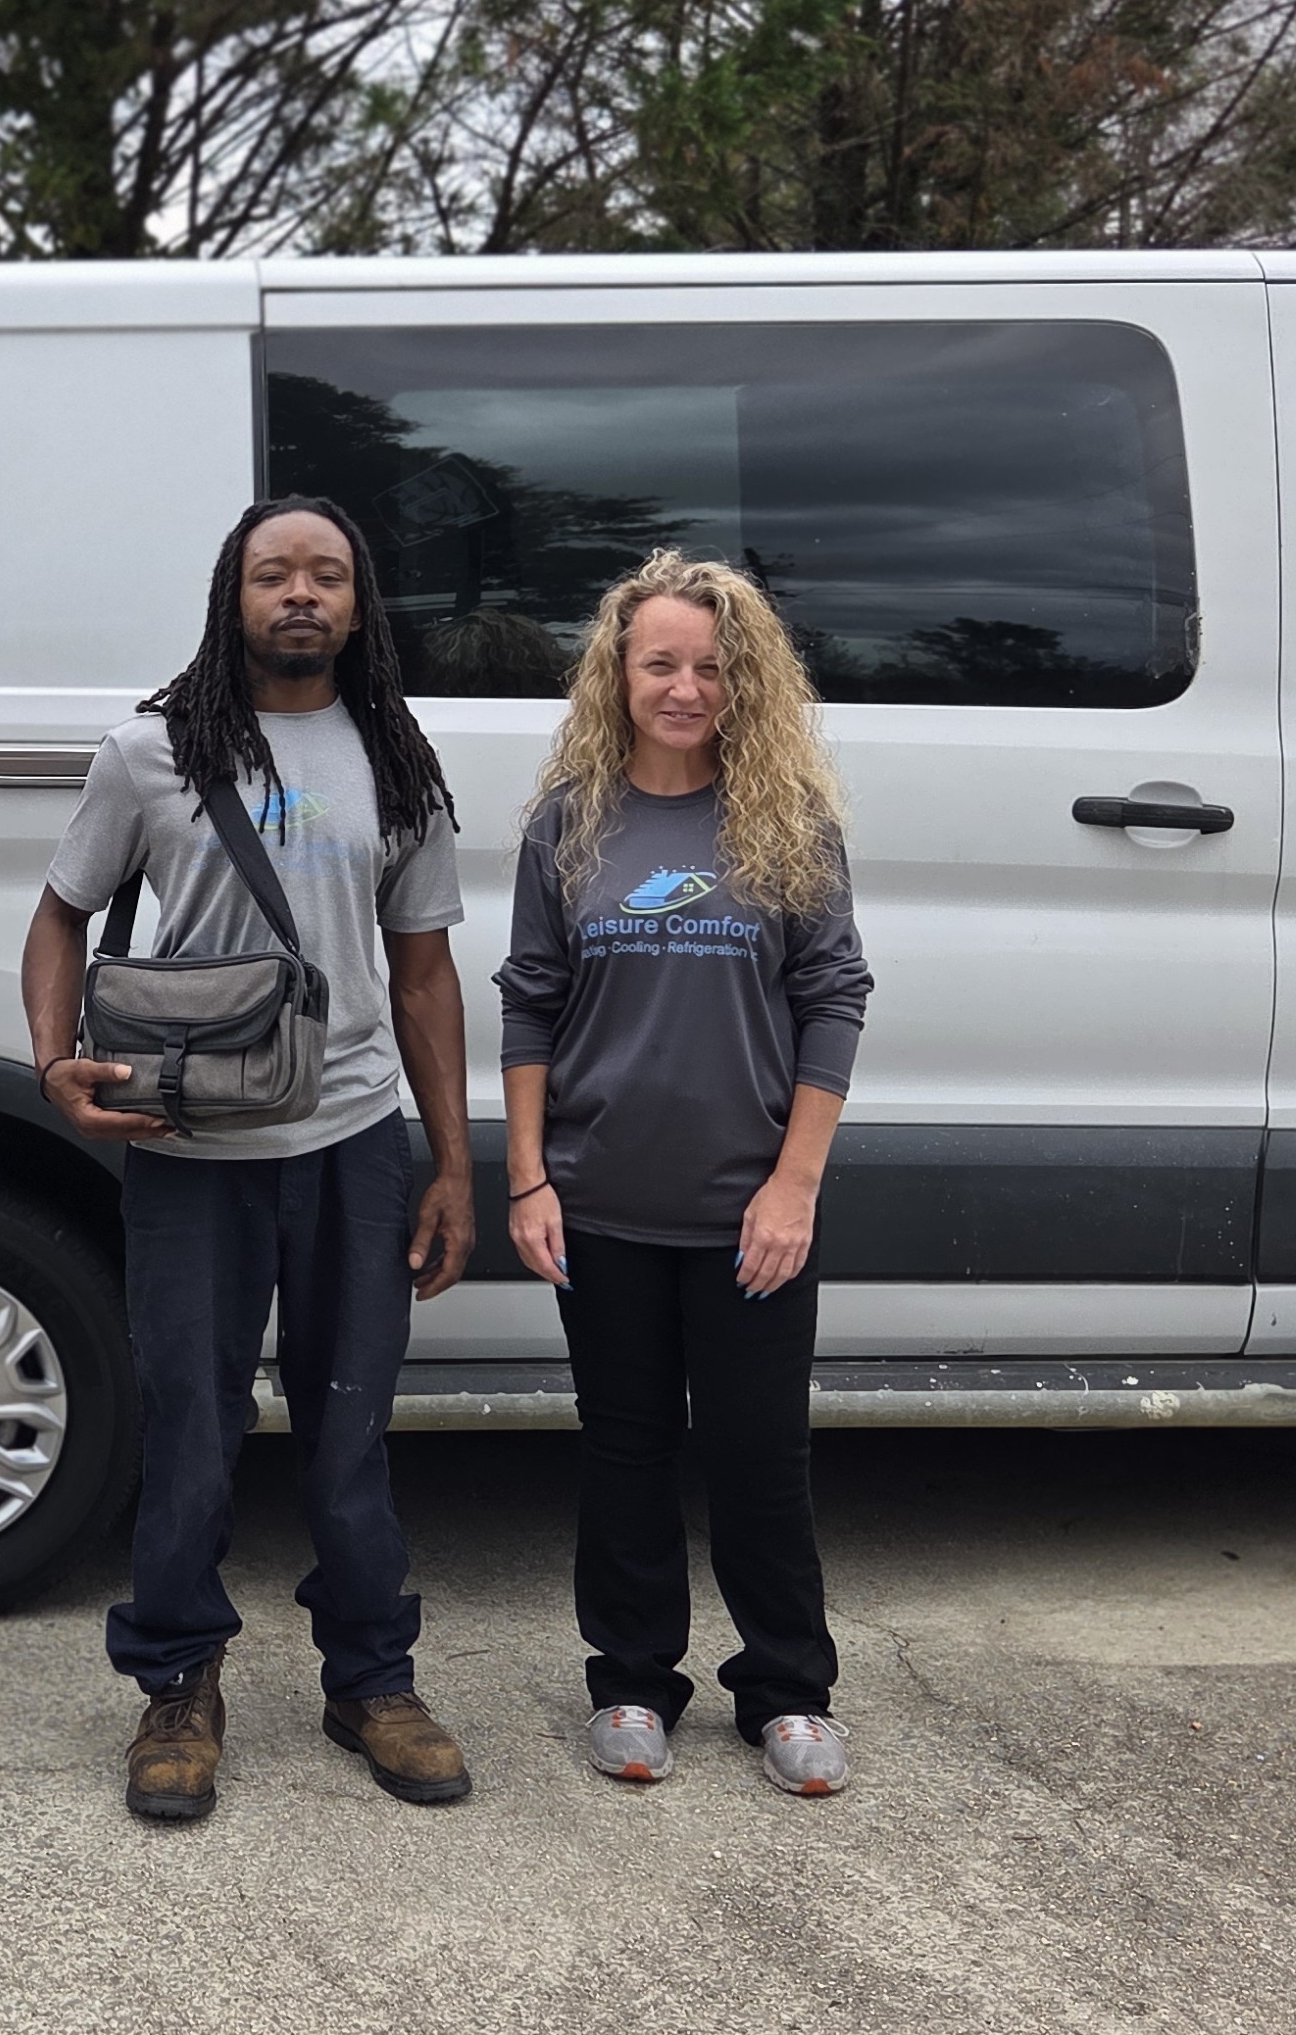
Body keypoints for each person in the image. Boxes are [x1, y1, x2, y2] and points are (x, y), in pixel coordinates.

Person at [20, 495, 476, 1822]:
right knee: (191, 1429)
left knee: (350, 1428)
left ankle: (371, 1679)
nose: (300, 593)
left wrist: (451, 1165)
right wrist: (53, 1062)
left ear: (358, 602)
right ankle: (178, 1683)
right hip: (191, 1146)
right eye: (274, 573)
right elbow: (59, 917)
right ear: (234, 594)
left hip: (352, 1140)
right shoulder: (149, 752)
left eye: (325, 574)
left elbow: (425, 976)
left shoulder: (395, 757)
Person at [494, 549, 873, 1798]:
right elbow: (530, 1001)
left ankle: (787, 1688)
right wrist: (528, 1178)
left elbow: (833, 999)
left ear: (743, 679)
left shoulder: (787, 820)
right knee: (625, 1450)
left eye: (711, 666)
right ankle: (632, 1679)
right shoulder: (569, 822)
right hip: (600, 1204)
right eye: (660, 662)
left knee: (760, 1455)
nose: (686, 687)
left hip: (746, 1212)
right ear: (618, 672)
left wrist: (794, 1185)